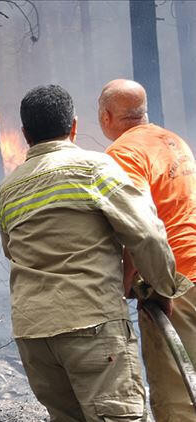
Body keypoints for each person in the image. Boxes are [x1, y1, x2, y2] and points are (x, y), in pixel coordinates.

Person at [0, 85, 191, 422]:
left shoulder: (7, 190)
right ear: (74, 126)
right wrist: (162, 286)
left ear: (25, 134)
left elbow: (10, 251)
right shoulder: (95, 168)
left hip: (33, 337)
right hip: (91, 325)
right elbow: (145, 232)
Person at [100, 78, 196, 421]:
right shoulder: (173, 141)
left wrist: (127, 282)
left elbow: (138, 225)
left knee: (176, 397)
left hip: (175, 282)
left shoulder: (123, 153)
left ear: (106, 116)